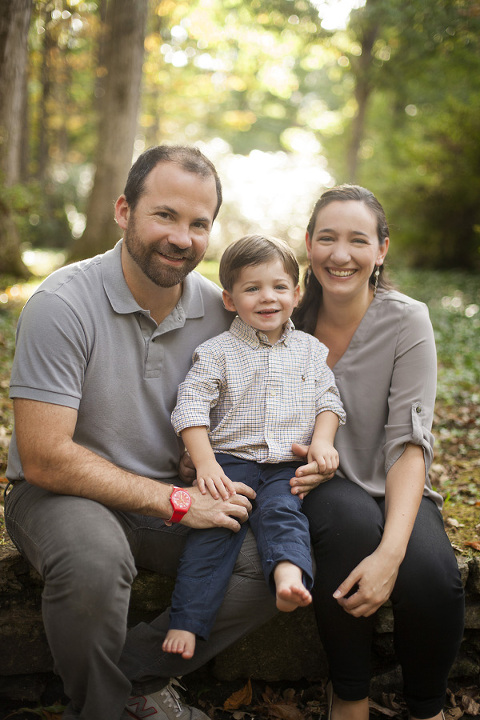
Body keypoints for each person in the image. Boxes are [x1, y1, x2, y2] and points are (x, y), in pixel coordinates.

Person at [3, 145, 280, 720]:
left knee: (276, 561)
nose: (182, 237)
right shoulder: (61, 303)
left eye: (199, 223)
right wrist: (178, 500)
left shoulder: (222, 309)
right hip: (64, 495)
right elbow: (46, 457)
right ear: (124, 211)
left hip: (167, 501)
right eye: (166, 215)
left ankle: (124, 680)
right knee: (94, 562)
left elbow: (257, 402)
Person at [289, 185, 465, 720]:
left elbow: (411, 444)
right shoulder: (284, 315)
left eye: (358, 240)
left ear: (381, 250)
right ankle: (349, 696)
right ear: (308, 244)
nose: (340, 255)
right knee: (348, 523)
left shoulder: (407, 319)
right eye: (327, 238)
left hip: (395, 481)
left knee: (431, 576)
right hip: (320, 483)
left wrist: (392, 556)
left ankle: (427, 707)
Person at [163, 234, 346, 660]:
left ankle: (286, 577)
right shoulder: (216, 353)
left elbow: (329, 401)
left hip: (284, 464)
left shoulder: (311, 351)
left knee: (283, 514)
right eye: (252, 288)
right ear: (229, 299)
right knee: (214, 533)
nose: (268, 298)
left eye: (279, 287)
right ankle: (187, 621)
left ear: (296, 294)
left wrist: (322, 441)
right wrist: (205, 464)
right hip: (229, 463)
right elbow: (189, 408)